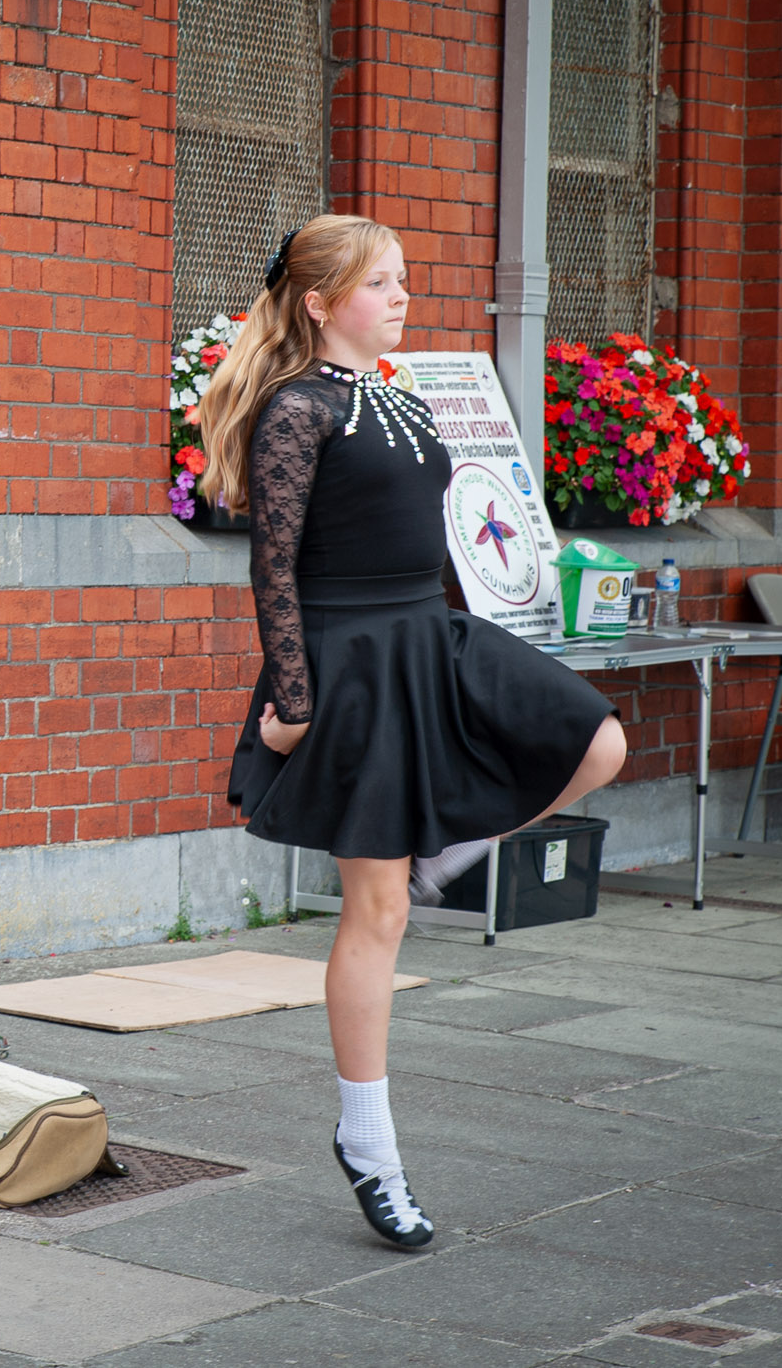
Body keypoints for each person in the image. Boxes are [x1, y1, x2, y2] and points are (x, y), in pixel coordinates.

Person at [197, 214, 626, 1248]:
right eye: (381, 283)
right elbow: (273, 569)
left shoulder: (396, 394)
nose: (402, 297)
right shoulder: (297, 409)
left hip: (428, 636)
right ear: (319, 302)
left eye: (402, 280)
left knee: (599, 743)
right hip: (347, 664)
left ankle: (450, 852)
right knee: (377, 914)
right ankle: (369, 1145)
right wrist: (295, 706)